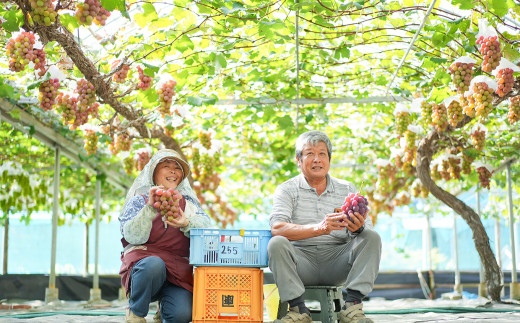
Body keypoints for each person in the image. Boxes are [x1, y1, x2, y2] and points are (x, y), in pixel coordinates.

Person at [268, 131, 381, 323]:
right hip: (301, 263)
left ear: (329, 159)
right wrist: (319, 228)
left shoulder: (347, 189)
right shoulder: (287, 189)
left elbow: (366, 230)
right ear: (298, 159)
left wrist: (358, 228)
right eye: (309, 154)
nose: (317, 160)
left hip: (338, 262)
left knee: (371, 237)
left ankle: (352, 309)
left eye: (322, 154)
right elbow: (277, 228)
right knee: (276, 243)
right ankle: (298, 310)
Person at [119, 149, 211, 323]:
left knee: (182, 315)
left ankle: (165, 309)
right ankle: (136, 312)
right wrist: (150, 209)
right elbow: (131, 235)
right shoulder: (139, 201)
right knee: (153, 264)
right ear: (153, 173)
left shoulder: (188, 204)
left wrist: (186, 224)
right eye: (166, 166)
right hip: (147, 267)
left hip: (177, 272)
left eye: (177, 168)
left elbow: (207, 228)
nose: (172, 171)